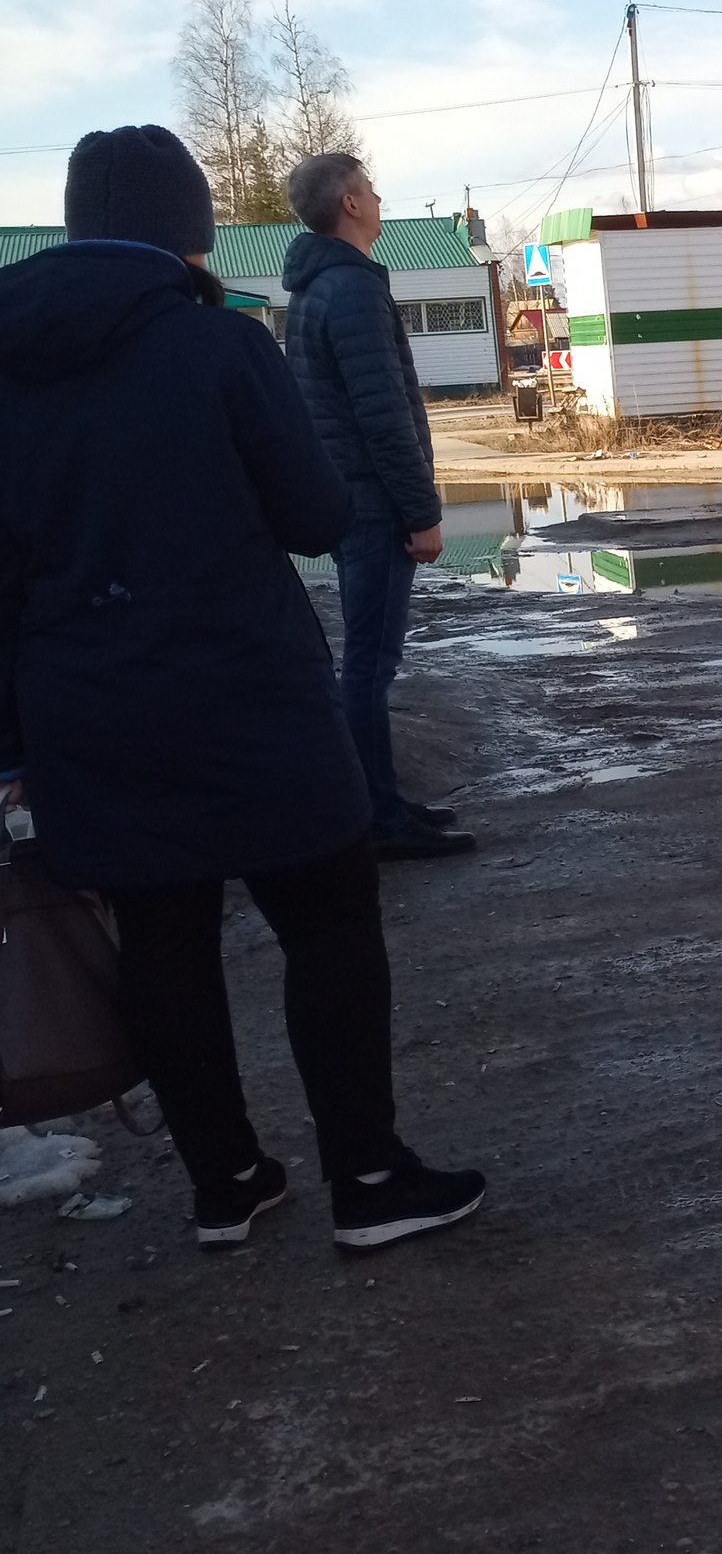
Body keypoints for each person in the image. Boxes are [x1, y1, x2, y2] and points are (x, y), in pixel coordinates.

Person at [0, 125, 485, 1252]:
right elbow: (317, 516)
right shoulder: (219, 348)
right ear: (191, 228)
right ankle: (368, 1179)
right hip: (244, 697)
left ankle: (227, 1184)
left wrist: (13, 750)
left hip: (85, 707)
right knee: (325, 921)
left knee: (163, 940)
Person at [282, 152, 474, 860]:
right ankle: (376, 819)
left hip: (349, 501)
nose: (380, 195)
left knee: (366, 661)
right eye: (370, 187)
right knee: (368, 665)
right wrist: (421, 512)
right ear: (350, 205)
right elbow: (383, 415)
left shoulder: (315, 289)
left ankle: (381, 802)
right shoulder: (351, 289)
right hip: (372, 507)